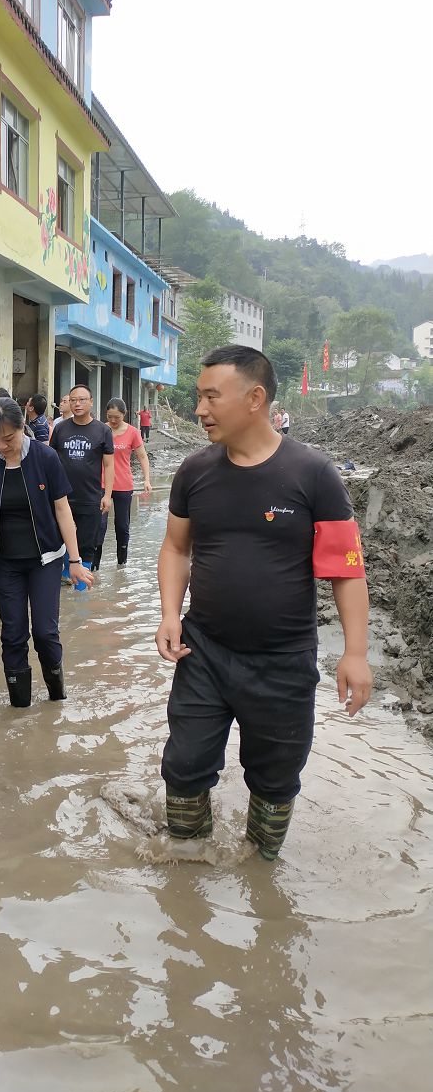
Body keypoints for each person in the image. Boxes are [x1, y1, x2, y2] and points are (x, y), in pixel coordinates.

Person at [154, 345, 372, 861]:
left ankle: (259, 871)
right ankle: (185, 870)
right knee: (183, 766)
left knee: (275, 780)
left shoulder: (313, 473)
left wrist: (356, 652)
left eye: (211, 396)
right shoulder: (194, 471)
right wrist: (168, 614)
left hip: (283, 659)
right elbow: (176, 547)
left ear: (255, 399)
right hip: (203, 649)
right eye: (198, 396)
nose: (199, 409)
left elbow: (346, 569)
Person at [0, 397, 92, 708]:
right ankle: (19, 706)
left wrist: (74, 561)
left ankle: (56, 699)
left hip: (46, 560)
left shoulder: (45, 457)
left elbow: (62, 510)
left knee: (45, 632)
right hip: (4, 563)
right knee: (12, 634)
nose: (1, 446)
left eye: (8, 438)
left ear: (23, 427)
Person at [49, 383, 115, 585]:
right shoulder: (60, 428)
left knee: (87, 545)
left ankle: (81, 602)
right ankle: (63, 583)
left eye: (82, 400)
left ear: (91, 402)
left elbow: (109, 464)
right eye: (73, 400)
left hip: (89, 496)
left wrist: (107, 495)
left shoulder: (103, 430)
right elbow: (50, 459)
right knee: (57, 542)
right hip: (61, 498)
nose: (77, 404)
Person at [92, 397, 153, 569]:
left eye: (116, 417)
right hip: (102, 485)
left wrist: (146, 479)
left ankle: (121, 565)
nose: (112, 420)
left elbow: (142, 456)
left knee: (122, 525)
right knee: (100, 525)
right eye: (109, 416)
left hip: (123, 485)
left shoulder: (133, 432)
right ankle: (94, 566)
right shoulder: (100, 430)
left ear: (124, 415)